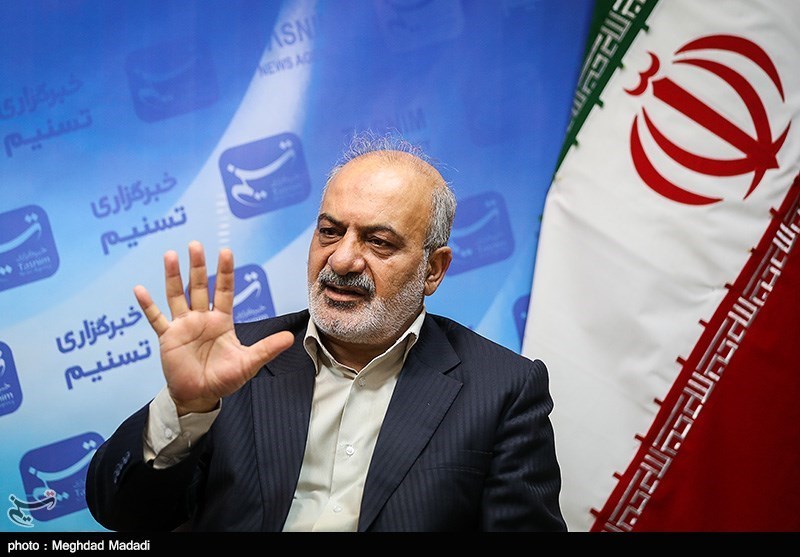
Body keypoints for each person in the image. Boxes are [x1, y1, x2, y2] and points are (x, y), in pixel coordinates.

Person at [86, 132, 566, 532]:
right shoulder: (236, 360)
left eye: (378, 241)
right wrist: (187, 408)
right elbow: (123, 515)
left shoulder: (501, 388)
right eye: (330, 232)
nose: (342, 259)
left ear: (433, 269)